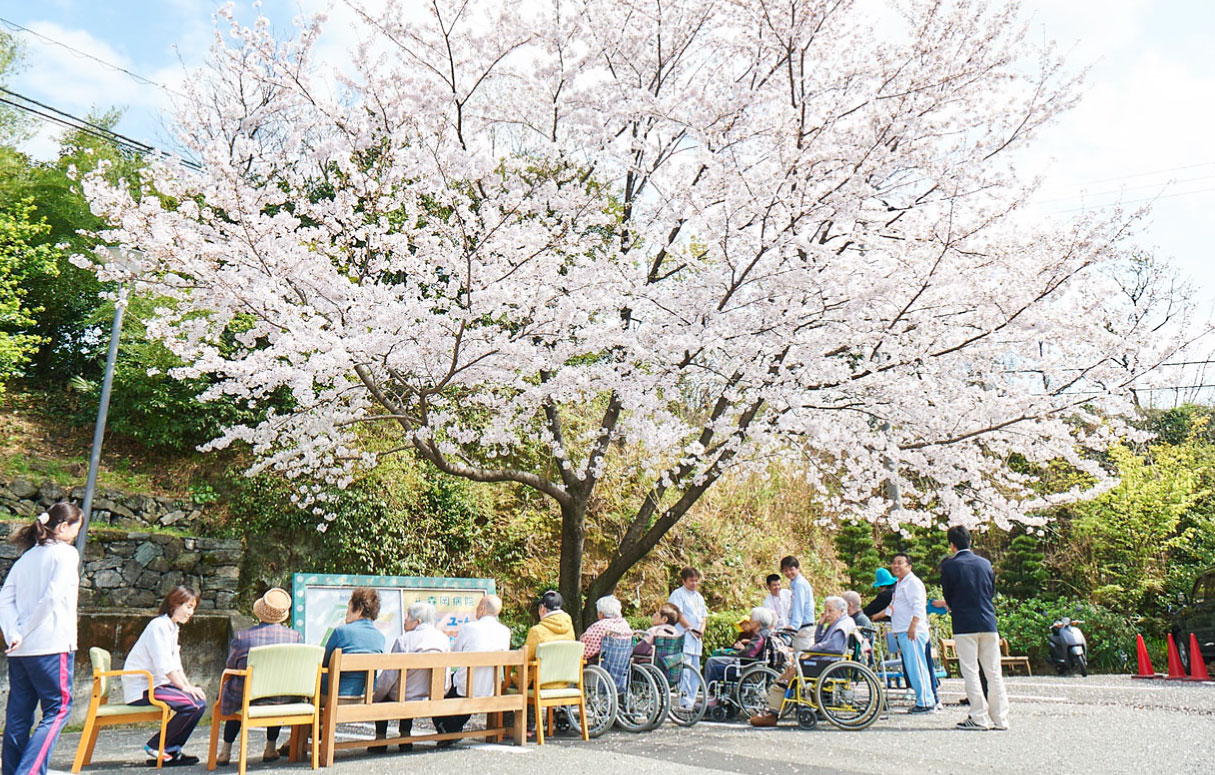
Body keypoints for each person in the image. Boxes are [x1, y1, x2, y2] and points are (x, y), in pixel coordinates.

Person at [0, 503, 83, 775]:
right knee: (58, 710)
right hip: (52, 645)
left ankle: (13, 771)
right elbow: (52, 597)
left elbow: (4, 600)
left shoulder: (25, 559)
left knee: (18, 715)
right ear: (62, 527)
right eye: (77, 528)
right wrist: (24, 630)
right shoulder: (67, 554)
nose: (77, 534)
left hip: (20, 651)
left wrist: (14, 633)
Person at [216, 587, 302, 766]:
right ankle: (270, 748)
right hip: (284, 699)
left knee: (235, 690)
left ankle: (225, 751)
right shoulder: (295, 637)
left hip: (248, 699)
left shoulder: (243, 637)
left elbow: (230, 666)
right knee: (277, 687)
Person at [123, 585, 208, 765]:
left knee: (198, 702)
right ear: (174, 604)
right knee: (193, 705)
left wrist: (189, 686)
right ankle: (159, 747)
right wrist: (184, 688)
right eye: (188, 607)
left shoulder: (172, 628)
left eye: (193, 608)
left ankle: (170, 750)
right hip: (144, 687)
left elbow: (176, 665)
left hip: (158, 685)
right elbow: (164, 666)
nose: (190, 612)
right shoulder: (158, 626)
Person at [941, 525, 1009, 731]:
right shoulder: (985, 563)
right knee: (993, 671)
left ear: (952, 545)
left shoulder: (950, 566)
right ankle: (1001, 718)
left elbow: (948, 596)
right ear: (970, 541)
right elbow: (991, 590)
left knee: (971, 670)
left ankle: (978, 716)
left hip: (964, 624)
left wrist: (955, 606)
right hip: (988, 621)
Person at [749, 596, 854, 727]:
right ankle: (775, 705)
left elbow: (834, 646)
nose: (827, 615)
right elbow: (820, 641)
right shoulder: (837, 623)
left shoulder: (843, 624)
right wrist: (820, 625)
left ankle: (773, 711)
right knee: (791, 668)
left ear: (842, 611)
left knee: (792, 671)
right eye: (825, 611)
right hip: (826, 660)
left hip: (829, 662)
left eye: (830, 611)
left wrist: (809, 651)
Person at [372, 602, 449, 752]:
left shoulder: (404, 640)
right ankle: (405, 734)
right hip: (428, 694)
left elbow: (389, 677)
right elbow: (445, 676)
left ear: (418, 621)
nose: (405, 620)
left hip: (402, 695)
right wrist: (442, 692)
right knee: (408, 690)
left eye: (408, 616)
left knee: (389, 692)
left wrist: (376, 694)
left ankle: (380, 738)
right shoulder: (443, 640)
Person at [433, 595, 510, 743]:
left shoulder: (469, 628)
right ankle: (453, 731)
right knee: (460, 691)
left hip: (466, 688)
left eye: (478, 606)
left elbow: (453, 656)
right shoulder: (505, 631)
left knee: (440, 693)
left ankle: (450, 732)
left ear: (482, 608)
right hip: (492, 688)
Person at [888, 553, 934, 714]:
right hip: (903, 630)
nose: (896, 566)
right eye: (894, 563)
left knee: (918, 667)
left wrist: (913, 626)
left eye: (900, 563)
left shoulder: (913, 583)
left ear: (909, 566)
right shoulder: (899, 584)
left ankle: (926, 702)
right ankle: (922, 699)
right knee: (912, 667)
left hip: (912, 631)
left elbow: (918, 606)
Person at [322, 587, 386, 698]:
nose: (346, 614)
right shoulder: (380, 638)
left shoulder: (340, 632)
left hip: (336, 698)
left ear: (359, 609)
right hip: (366, 698)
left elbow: (324, 664)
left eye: (349, 608)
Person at [704, 607, 774, 688]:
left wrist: (735, 651)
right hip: (749, 666)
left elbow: (749, 654)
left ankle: (710, 693)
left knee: (711, 662)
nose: (749, 621)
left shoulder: (760, 635)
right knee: (715, 660)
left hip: (745, 667)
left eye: (751, 618)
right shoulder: (767, 633)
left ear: (757, 623)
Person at [668, 567, 708, 706]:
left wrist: (701, 630)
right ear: (683, 580)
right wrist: (690, 629)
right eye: (691, 581)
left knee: (695, 670)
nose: (694, 584)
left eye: (696, 581)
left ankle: (692, 699)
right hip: (684, 636)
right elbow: (678, 614)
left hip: (697, 639)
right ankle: (684, 700)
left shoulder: (699, 597)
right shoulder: (678, 594)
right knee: (685, 670)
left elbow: (703, 616)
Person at [523, 590, 575, 664]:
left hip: (539, 675)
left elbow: (525, 658)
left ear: (543, 609)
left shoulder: (536, 631)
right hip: (567, 674)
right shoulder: (569, 628)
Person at [579, 596, 634, 660]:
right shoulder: (625, 624)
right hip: (621, 664)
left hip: (601, 665)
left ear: (601, 614)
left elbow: (583, 650)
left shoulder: (599, 627)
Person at [780, 556, 815, 651]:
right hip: (802, 627)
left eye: (791, 569)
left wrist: (793, 626)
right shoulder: (795, 583)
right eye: (785, 570)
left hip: (804, 628)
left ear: (798, 569)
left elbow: (799, 606)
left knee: (802, 658)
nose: (788, 573)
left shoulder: (799, 584)